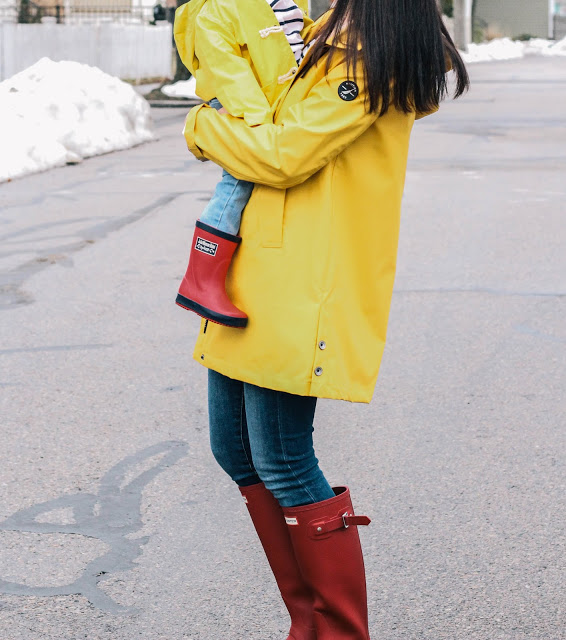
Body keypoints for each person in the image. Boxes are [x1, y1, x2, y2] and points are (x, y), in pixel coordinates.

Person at [182, 0, 469, 638]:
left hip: (305, 284)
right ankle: (305, 622)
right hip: (256, 274)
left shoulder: (368, 58)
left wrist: (201, 127)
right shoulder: (323, 31)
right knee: (235, 451)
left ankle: (336, 631)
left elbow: (283, 154)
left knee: (282, 457)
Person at [173, 0, 313, 327]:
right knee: (237, 182)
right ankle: (201, 280)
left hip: (271, 106)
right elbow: (228, 71)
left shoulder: (286, 1)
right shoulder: (218, 9)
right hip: (247, 108)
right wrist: (259, 125)